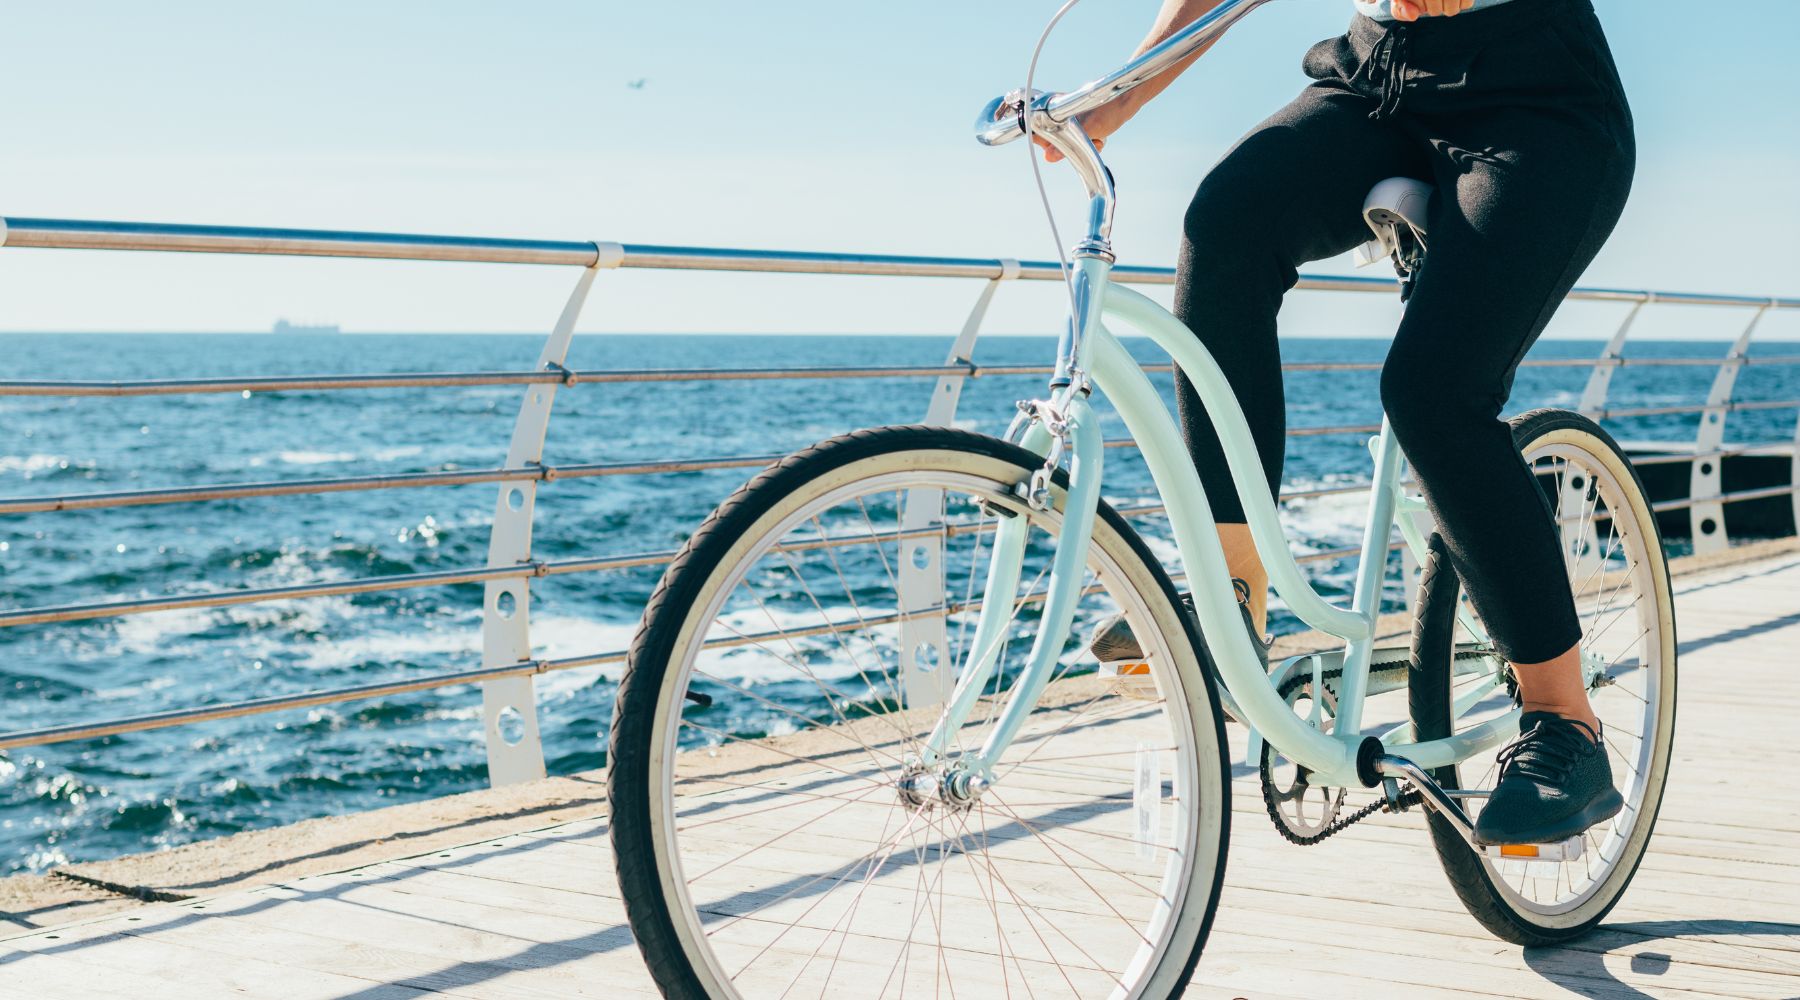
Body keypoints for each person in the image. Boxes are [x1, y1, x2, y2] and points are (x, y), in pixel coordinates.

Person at [1071, 0, 1634, 845]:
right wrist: (1121, 94)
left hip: (1536, 94)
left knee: (1433, 391)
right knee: (1223, 228)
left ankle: (1565, 725)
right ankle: (1233, 598)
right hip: (1379, 73)